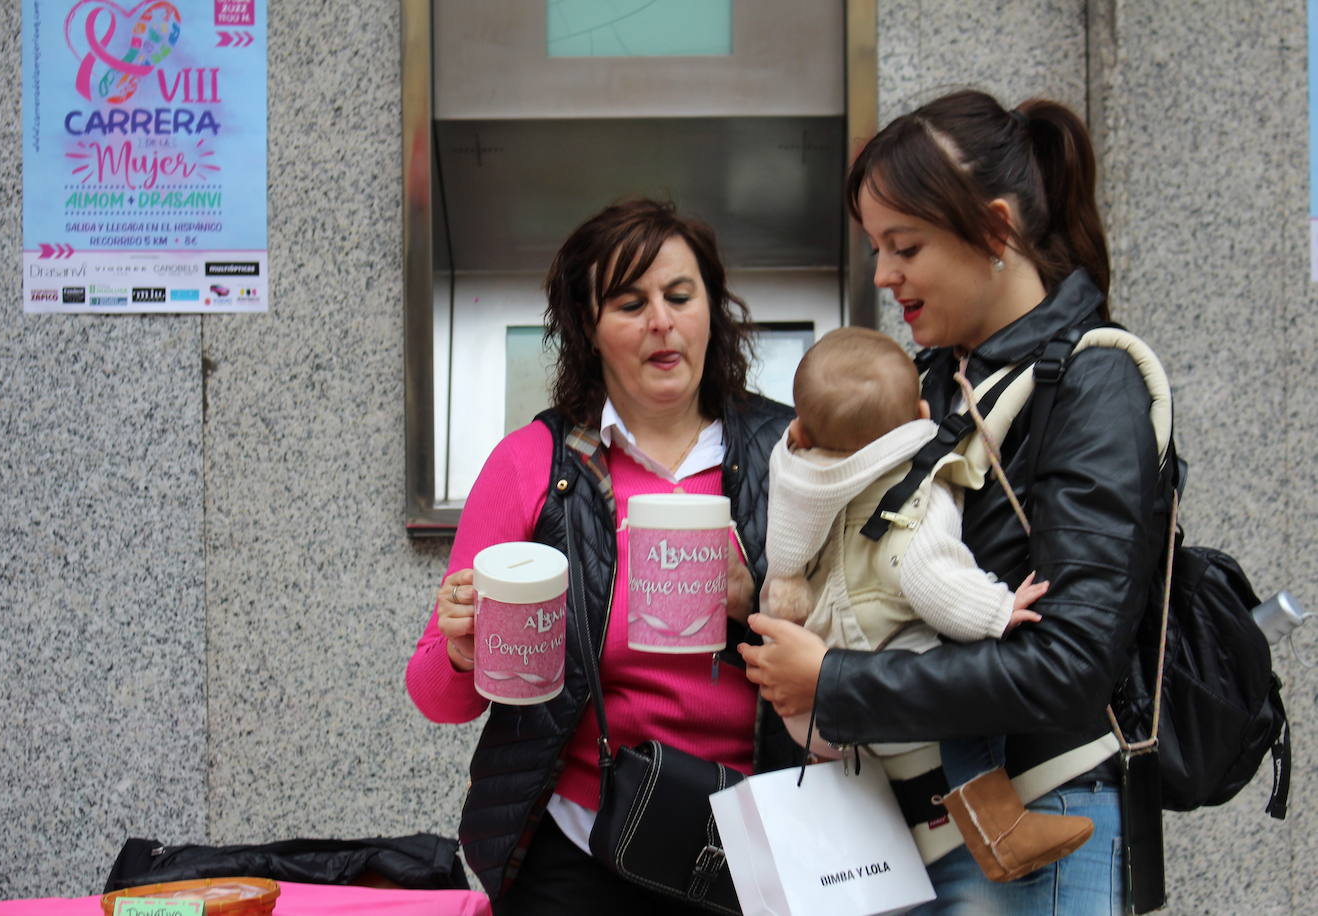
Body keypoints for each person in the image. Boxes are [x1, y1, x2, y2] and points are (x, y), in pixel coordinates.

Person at [741, 89, 1174, 913]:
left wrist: (836, 682)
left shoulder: (1093, 382)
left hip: (1043, 827)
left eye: (904, 245)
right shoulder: (931, 385)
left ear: (996, 229)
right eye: (875, 247)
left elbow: (1071, 666)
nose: (883, 275)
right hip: (903, 840)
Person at [406, 198, 796, 914]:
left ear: (713, 308)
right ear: (588, 328)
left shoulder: (792, 452)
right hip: (585, 842)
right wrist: (464, 648)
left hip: (768, 839)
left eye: (680, 296)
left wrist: (760, 597)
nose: (661, 321)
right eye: (629, 303)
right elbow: (437, 696)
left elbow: (863, 641)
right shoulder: (533, 462)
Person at [762, 325, 1092, 882]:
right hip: (870, 682)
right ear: (921, 411)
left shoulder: (797, 479)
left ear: (799, 429)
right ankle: (999, 828)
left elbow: (786, 562)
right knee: (964, 694)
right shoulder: (916, 490)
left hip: (816, 699)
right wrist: (998, 610)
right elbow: (931, 577)